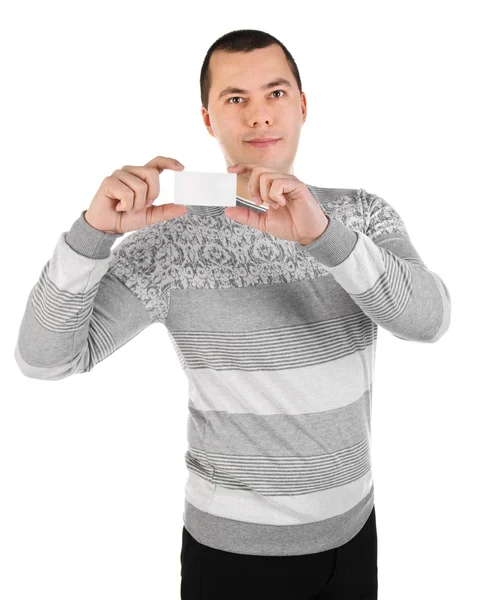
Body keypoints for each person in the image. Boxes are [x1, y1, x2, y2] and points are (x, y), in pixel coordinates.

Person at [14, 28, 451, 600]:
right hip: (233, 555)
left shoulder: (359, 215)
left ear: (301, 105)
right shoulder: (168, 239)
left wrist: (325, 237)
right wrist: (91, 234)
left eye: (274, 94)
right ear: (207, 119)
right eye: (236, 99)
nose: (260, 117)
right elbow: (43, 360)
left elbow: (430, 321)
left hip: (353, 530)